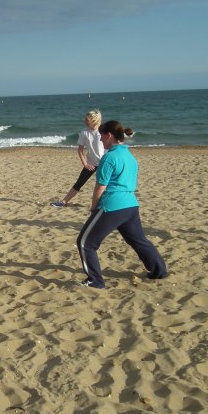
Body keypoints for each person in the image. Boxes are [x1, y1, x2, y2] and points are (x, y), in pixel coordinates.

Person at [76, 120, 167, 288]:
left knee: (85, 242)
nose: (101, 141)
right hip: (131, 206)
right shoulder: (131, 157)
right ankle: (159, 271)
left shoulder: (109, 157)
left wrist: (94, 208)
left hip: (112, 206)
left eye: (102, 137)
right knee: (138, 240)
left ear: (109, 135)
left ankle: (95, 281)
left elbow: (100, 187)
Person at [51, 110, 105, 207]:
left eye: (87, 119)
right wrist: (85, 164)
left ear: (94, 120)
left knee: (105, 185)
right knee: (79, 183)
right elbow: (80, 150)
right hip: (91, 163)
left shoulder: (103, 131)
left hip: (104, 163)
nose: (84, 120)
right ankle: (63, 202)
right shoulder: (84, 132)